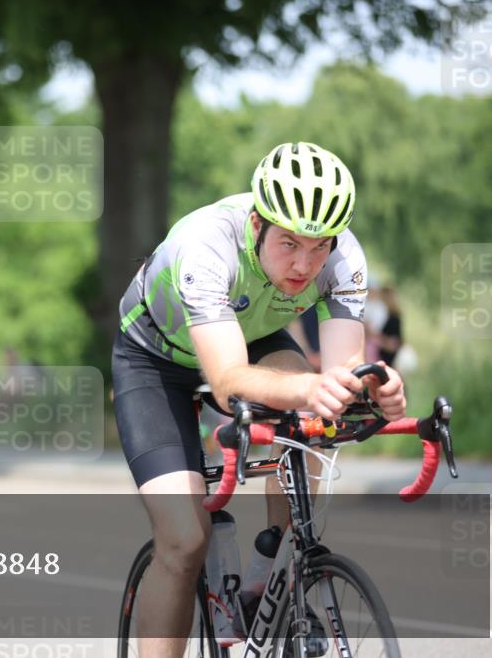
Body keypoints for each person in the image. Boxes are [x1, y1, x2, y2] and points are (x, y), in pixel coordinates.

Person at [113, 142, 406, 655]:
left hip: (253, 338)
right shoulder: (205, 244)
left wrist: (374, 389)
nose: (305, 264)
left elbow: (341, 375)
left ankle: (267, 582)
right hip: (154, 358)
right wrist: (311, 386)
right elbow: (227, 380)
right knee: (183, 540)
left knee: (320, 409)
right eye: (289, 244)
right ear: (256, 225)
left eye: (319, 247)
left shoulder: (345, 258)